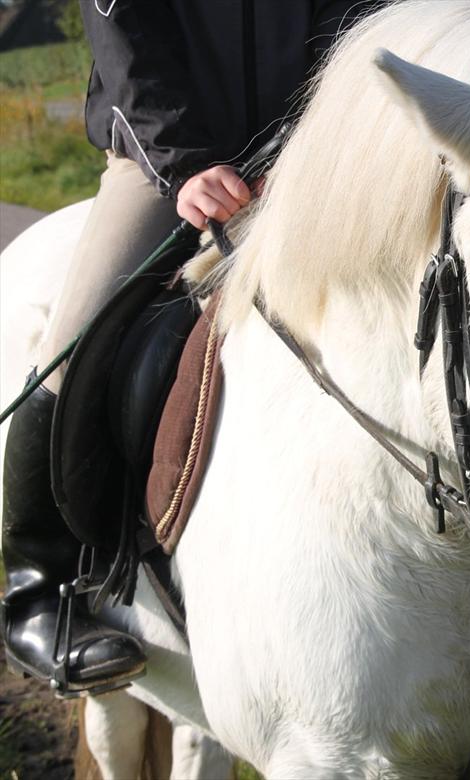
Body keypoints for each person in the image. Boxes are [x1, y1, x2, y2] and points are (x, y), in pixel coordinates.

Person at [1, 0, 378, 696]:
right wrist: (186, 164)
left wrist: (321, 141)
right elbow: (122, 25)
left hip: (312, 153)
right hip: (164, 162)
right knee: (74, 339)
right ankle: (39, 589)